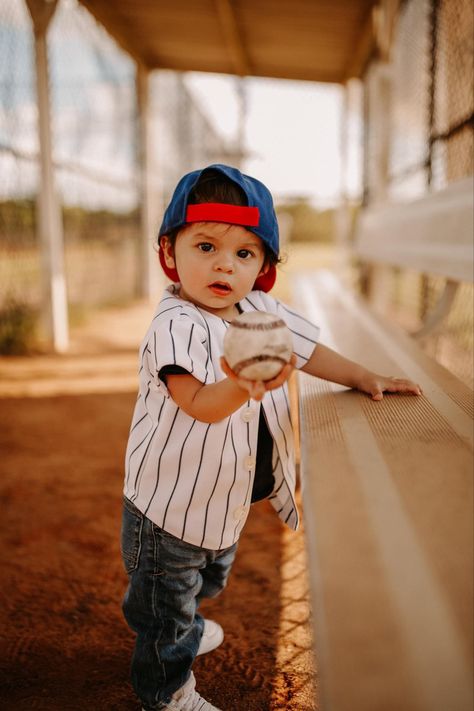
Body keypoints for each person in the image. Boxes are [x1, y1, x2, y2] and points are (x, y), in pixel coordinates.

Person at [121, 164, 421, 711]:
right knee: (168, 598)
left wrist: (362, 375)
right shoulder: (175, 324)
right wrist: (245, 382)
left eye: (244, 254)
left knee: (207, 578)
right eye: (206, 245)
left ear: (263, 267)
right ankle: (166, 689)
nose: (223, 265)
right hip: (168, 506)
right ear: (170, 252)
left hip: (222, 496)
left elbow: (308, 351)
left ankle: (175, 615)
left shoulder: (259, 310)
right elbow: (201, 405)